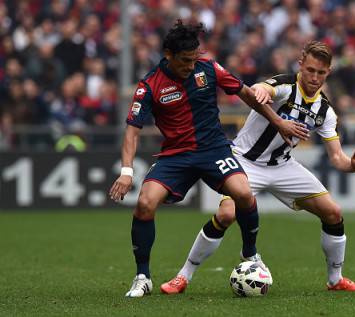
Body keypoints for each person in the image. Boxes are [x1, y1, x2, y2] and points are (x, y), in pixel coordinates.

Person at [108, 20, 308, 298]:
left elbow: (248, 95)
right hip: (176, 156)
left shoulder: (209, 68)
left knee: (243, 193)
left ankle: (250, 254)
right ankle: (143, 277)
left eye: (194, 59)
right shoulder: (149, 85)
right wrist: (127, 171)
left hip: (214, 150)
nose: (191, 66)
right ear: (168, 55)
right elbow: (132, 132)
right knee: (144, 204)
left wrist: (277, 122)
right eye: (185, 61)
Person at [160, 41, 355, 294]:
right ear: (301, 63)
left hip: (283, 167)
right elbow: (262, 89)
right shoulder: (283, 86)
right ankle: (183, 276)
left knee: (333, 213)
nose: (315, 77)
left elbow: (337, 158)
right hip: (245, 161)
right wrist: (261, 92)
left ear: (329, 72)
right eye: (311, 70)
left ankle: (335, 279)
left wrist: (352, 165)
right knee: (227, 214)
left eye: (321, 73)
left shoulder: (325, 111)